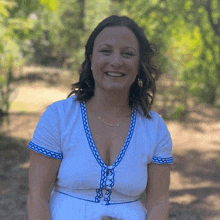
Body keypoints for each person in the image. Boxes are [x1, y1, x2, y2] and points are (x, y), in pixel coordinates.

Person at [27, 15, 173, 220]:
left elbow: (159, 203)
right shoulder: (59, 117)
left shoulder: (154, 128)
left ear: (140, 64)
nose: (115, 61)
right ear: (91, 59)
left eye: (127, 54)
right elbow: (37, 197)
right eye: (105, 51)